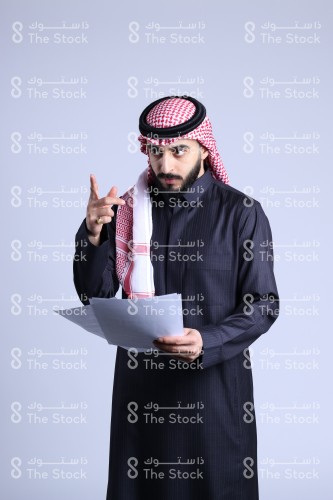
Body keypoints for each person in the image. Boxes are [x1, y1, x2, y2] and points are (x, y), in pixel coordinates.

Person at [73, 95, 279, 500]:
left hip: (215, 396)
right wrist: (94, 235)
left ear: (204, 148)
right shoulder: (126, 210)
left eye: (178, 151)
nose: (165, 165)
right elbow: (93, 294)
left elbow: (263, 305)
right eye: (156, 152)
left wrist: (208, 340)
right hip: (142, 394)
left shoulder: (241, 213)